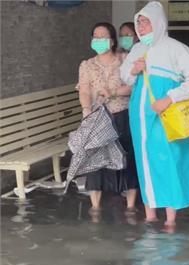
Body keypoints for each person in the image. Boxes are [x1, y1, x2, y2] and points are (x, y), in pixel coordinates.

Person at [120, 2, 189, 226]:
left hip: (167, 117)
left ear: (158, 22)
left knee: (169, 160)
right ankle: (150, 214)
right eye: (139, 22)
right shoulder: (137, 49)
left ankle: (170, 218)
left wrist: (169, 98)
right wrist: (133, 70)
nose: (141, 26)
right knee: (145, 162)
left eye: (146, 21)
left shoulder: (175, 49)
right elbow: (125, 78)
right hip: (140, 119)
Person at [77, 22, 139, 217]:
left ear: (112, 40)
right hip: (97, 117)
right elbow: (84, 90)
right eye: (95, 36)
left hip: (122, 115)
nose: (98, 39)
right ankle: (95, 206)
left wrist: (112, 92)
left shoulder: (125, 60)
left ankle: (130, 205)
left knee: (127, 157)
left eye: (102, 36)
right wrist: (86, 109)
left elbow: (134, 87)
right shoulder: (87, 65)